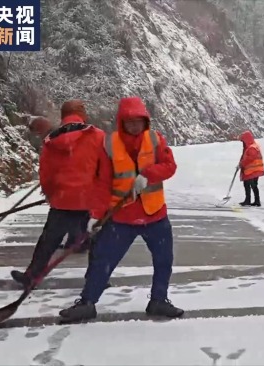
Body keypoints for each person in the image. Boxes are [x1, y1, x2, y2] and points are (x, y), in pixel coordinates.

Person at [58, 96, 183, 322]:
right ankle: (87, 303)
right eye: (129, 121)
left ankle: (159, 300)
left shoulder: (156, 140)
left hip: (155, 214)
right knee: (104, 261)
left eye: (138, 121)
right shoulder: (109, 144)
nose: (134, 125)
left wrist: (148, 175)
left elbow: (170, 166)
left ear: (146, 121)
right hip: (122, 217)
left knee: (164, 260)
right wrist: (95, 215)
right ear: (121, 121)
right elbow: (102, 184)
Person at [11, 100, 107, 287]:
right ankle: (98, 278)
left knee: (48, 241)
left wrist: (50, 193)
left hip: (62, 200)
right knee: (98, 240)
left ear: (63, 116)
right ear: (83, 114)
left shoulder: (52, 139)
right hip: (89, 199)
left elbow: (46, 173)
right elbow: (105, 169)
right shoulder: (98, 136)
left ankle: (32, 276)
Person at [28, 115, 88, 249]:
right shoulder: (69, 136)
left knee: (68, 216)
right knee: (79, 215)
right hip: (81, 184)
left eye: (37, 133)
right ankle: (77, 240)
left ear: (40, 130)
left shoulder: (52, 140)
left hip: (68, 186)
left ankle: (79, 240)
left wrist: (49, 190)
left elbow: (48, 168)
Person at [238, 130, 264, 207]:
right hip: (253, 170)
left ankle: (254, 201)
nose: (242, 143)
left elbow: (249, 159)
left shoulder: (252, 148)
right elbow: (244, 157)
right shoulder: (250, 147)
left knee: (251, 185)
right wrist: (240, 163)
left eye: (243, 141)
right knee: (249, 184)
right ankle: (250, 200)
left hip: (253, 170)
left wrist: (242, 164)